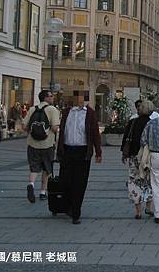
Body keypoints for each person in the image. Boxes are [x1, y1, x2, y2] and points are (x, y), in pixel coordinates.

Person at [57, 90, 102, 224]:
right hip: (67, 150)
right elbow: (62, 132)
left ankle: (76, 212)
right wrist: (59, 150)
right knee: (65, 181)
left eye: (83, 98)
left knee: (80, 182)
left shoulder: (90, 113)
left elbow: (95, 133)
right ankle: (68, 205)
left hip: (83, 152)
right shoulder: (66, 112)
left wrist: (98, 152)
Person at [22, 90, 60, 203]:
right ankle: (43, 192)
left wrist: (32, 132)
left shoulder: (32, 109)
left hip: (32, 144)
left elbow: (24, 126)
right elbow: (54, 128)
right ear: (46, 98)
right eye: (51, 96)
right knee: (47, 168)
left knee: (34, 167)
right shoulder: (52, 109)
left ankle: (31, 184)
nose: (53, 98)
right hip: (47, 144)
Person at [121, 100, 154, 219]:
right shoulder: (152, 123)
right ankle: (149, 207)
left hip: (134, 157)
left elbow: (126, 139)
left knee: (134, 181)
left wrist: (124, 154)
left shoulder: (132, 122)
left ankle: (138, 211)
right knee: (149, 181)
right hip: (148, 157)